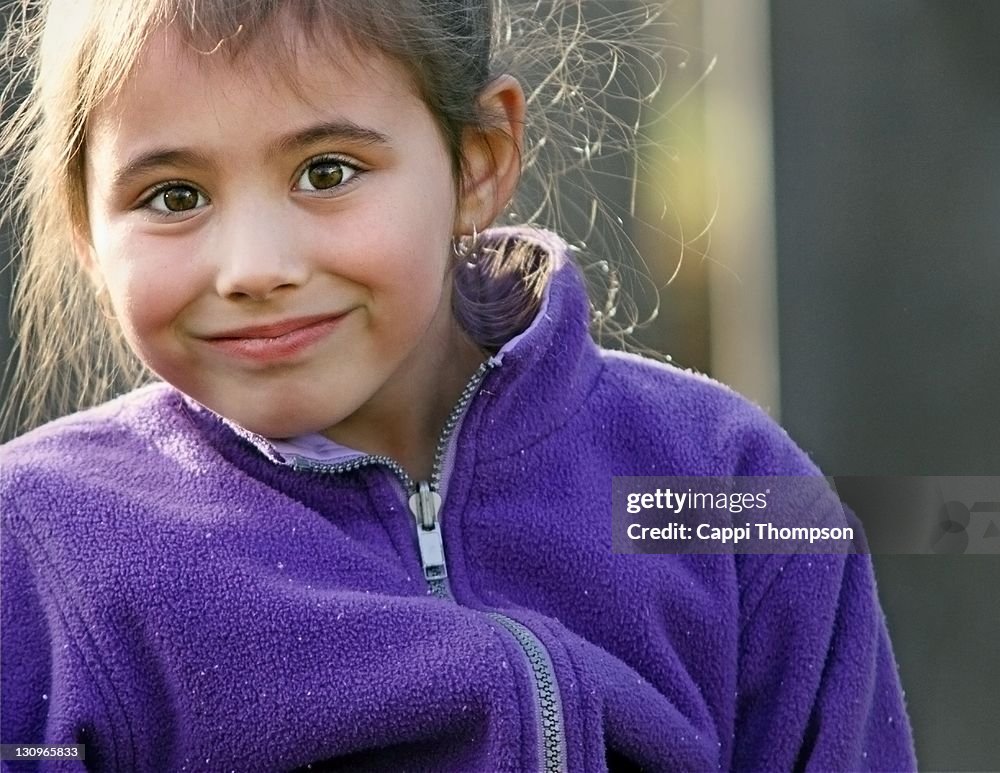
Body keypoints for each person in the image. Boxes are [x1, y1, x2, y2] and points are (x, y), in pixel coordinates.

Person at [0, 1, 916, 770]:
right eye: (172, 195)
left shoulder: (727, 484)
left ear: (477, 162)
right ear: (86, 225)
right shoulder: (40, 549)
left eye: (327, 172)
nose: (254, 267)